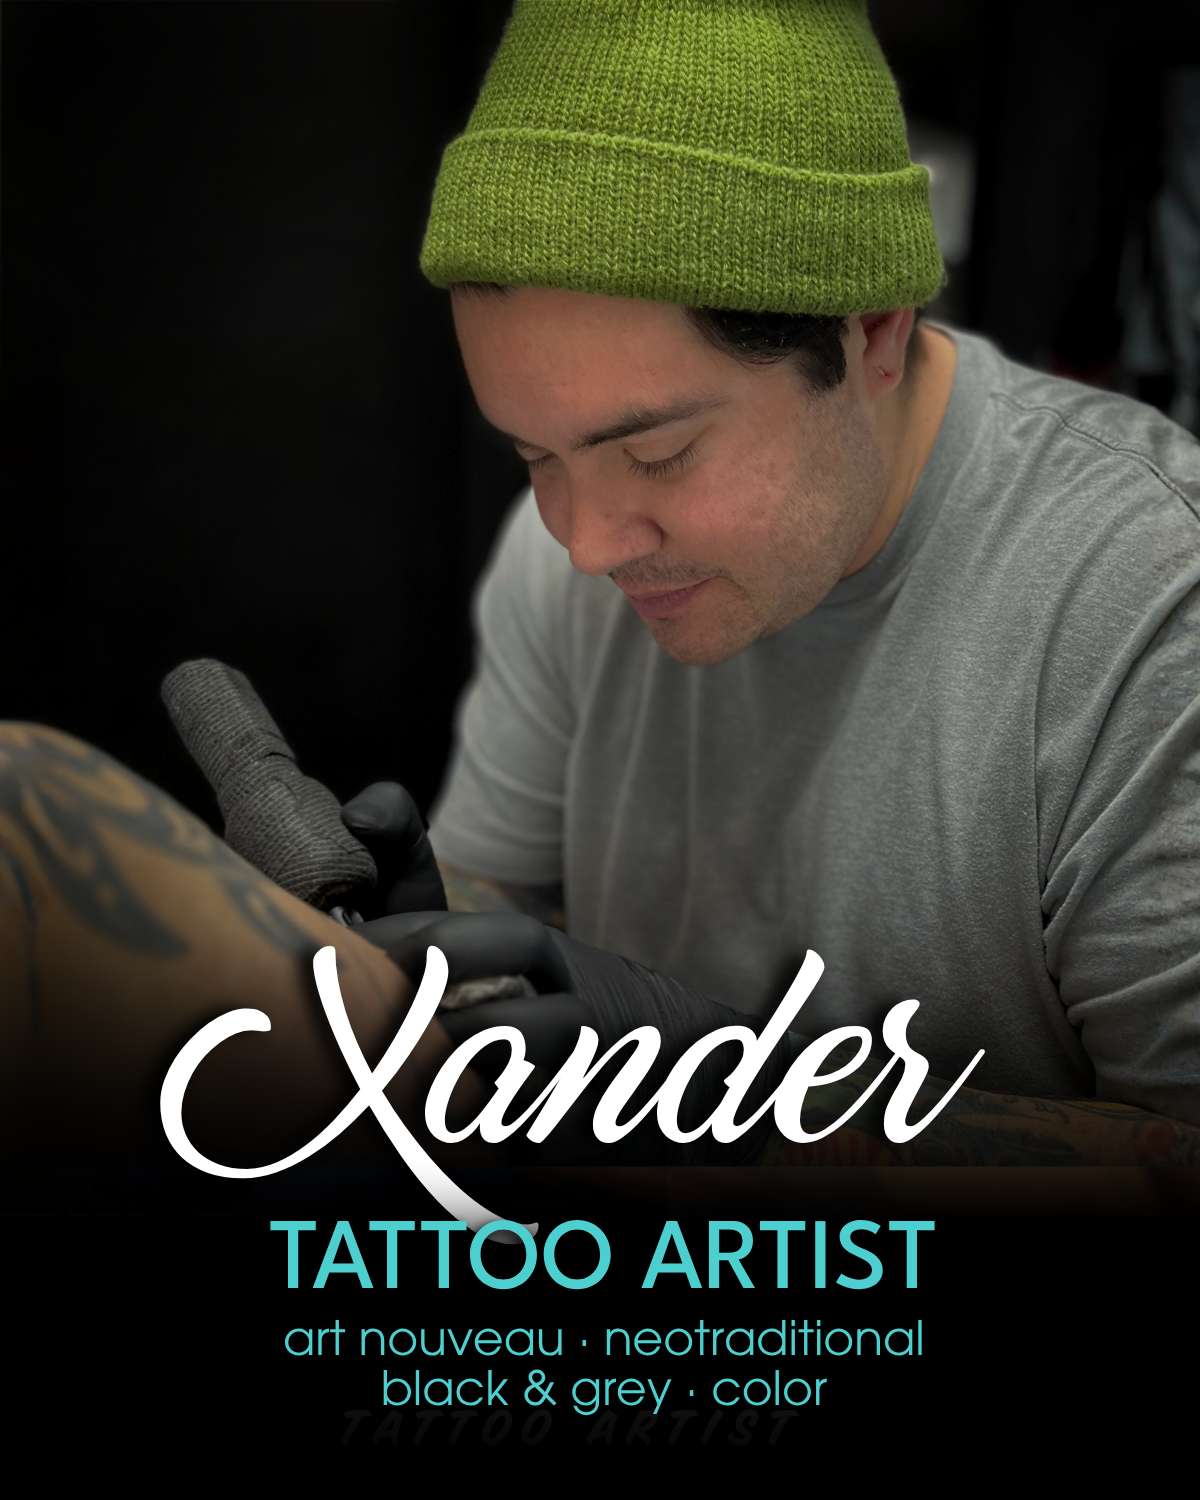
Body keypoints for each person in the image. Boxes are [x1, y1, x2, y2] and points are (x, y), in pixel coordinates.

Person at [363, 0, 1200, 1165]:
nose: (586, 543)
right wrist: (410, 962)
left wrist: (739, 1103)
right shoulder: (559, 566)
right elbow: (496, 908)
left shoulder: (1148, 599)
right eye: (533, 456)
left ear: (874, 334)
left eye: (660, 454)